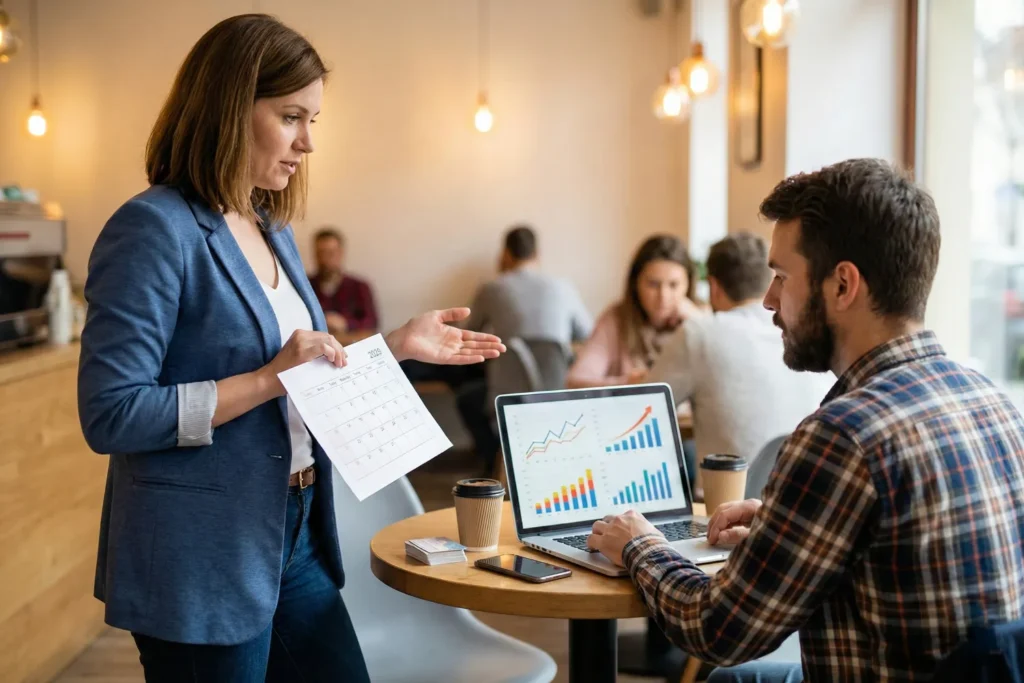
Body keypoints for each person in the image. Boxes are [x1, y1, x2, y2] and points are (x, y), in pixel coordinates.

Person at [77, 15, 504, 683]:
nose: (308, 142)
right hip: (202, 556)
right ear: (228, 109)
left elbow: (303, 369)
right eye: (291, 116)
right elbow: (111, 413)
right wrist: (266, 380)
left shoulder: (269, 224)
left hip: (295, 531)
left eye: (315, 121)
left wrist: (390, 347)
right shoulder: (152, 228)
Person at [587, 159, 1024, 682]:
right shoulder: (991, 401)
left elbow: (717, 630)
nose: (768, 301)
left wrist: (640, 544)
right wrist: (781, 525)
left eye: (780, 277)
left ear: (843, 285)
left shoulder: (844, 434)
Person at [643, 233, 832, 488]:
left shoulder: (699, 333)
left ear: (714, 286)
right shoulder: (804, 332)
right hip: (803, 498)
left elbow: (641, 411)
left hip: (726, 513)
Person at [438, 224, 592, 469]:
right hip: (558, 391)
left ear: (506, 254)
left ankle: (495, 462)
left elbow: (469, 333)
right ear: (537, 254)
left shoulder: (492, 288)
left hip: (508, 393)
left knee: (466, 399)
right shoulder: (563, 287)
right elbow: (587, 334)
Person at [567, 234, 702, 388]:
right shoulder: (617, 319)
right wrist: (627, 384)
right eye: (653, 284)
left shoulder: (701, 320)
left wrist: (699, 324)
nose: (663, 296)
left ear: (688, 285)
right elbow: (575, 381)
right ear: (635, 283)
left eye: (673, 285)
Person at [308, 227, 379, 336]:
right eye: (320, 253)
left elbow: (372, 323)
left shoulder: (359, 286)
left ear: (340, 253)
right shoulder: (306, 286)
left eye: (330, 253)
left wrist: (345, 323)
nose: (325, 259)